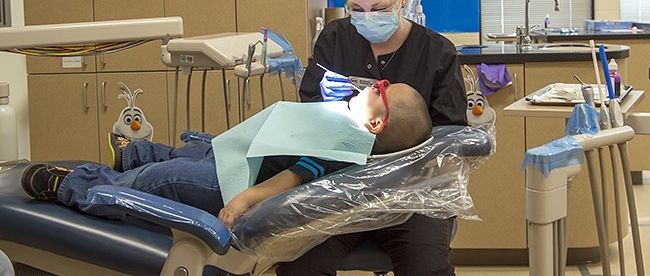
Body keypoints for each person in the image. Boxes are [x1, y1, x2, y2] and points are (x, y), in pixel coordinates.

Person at [279, 0, 468, 276]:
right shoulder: (335, 39)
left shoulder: (436, 52)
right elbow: (309, 114)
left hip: (414, 196)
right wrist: (329, 112)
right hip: (341, 188)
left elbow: (451, 137)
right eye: (356, 9)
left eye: (379, 8)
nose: (366, 18)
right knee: (299, 266)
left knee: (426, 270)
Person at [21, 81, 432, 228]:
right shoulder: (345, 122)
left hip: (233, 184)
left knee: (162, 180)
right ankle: (134, 154)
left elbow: (295, 176)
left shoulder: (344, 147)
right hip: (238, 157)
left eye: (378, 91)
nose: (372, 87)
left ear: (376, 125)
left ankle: (74, 185)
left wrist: (246, 198)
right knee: (201, 145)